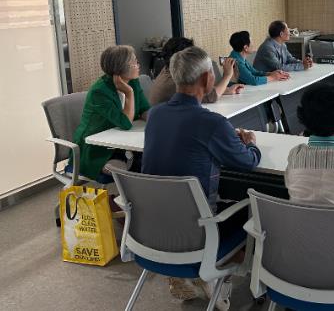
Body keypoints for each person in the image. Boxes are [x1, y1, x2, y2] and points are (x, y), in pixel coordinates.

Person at [142, 46, 262, 309]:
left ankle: (188, 273)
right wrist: (251, 143)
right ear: (207, 79)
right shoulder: (212, 123)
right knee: (252, 213)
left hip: (151, 228)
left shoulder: (156, 114)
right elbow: (247, 162)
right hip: (196, 232)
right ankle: (216, 277)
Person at [73, 45, 150, 180]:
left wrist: (157, 121)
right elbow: (125, 123)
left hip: (122, 142)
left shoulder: (133, 81)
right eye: (134, 62)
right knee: (135, 171)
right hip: (97, 150)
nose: (138, 65)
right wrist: (129, 93)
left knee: (151, 161)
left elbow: (144, 109)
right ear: (121, 67)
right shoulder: (99, 91)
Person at [149, 37, 243, 105]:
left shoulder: (168, 69)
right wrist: (227, 75)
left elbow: (205, 92)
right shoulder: (174, 81)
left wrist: (227, 90)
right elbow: (212, 96)